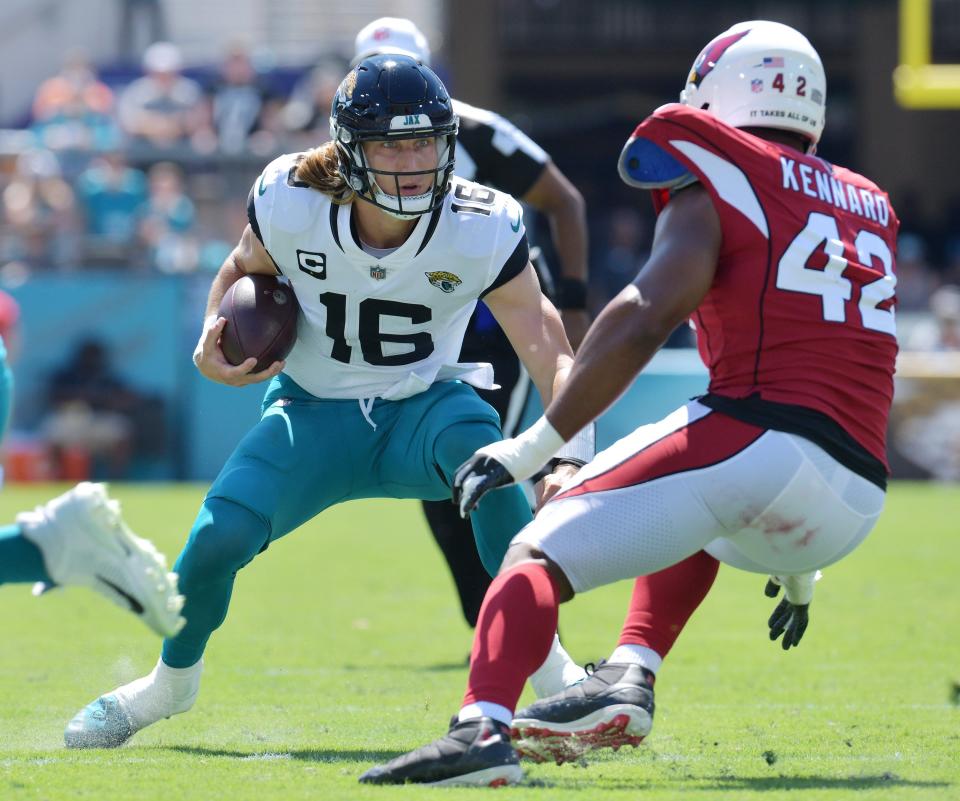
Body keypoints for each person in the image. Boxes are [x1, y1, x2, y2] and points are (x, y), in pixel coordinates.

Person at [361, 20, 899, 786]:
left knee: (532, 549)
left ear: (715, 89)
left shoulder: (722, 164)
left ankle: (480, 728)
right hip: (856, 497)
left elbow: (647, 310)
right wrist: (801, 566)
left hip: (762, 438)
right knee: (696, 508)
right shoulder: (865, 199)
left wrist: (534, 443)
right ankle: (629, 672)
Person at [63, 54, 591, 749]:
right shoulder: (291, 198)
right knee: (215, 539)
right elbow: (243, 267)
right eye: (391, 144)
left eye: (425, 141)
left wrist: (567, 450)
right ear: (350, 151)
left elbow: (547, 340)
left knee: (488, 465)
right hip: (310, 412)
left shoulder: (481, 221)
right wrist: (210, 338)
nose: (412, 161)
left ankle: (556, 677)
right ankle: (170, 685)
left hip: (425, 405)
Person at [352, 19, 590, 693]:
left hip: (497, 326)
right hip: (421, 331)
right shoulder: (343, 149)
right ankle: (491, 623)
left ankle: (538, 637)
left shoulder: (475, 131)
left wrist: (570, 301)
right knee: (439, 489)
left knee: (487, 471)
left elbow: (563, 200)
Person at [0, 331, 183, 638]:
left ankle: (53, 544)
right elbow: (58, 396)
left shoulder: (106, 376)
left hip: (95, 421)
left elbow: (125, 398)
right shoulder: (68, 373)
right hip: (67, 419)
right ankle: (49, 545)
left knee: (117, 433)